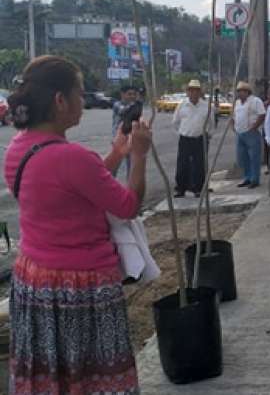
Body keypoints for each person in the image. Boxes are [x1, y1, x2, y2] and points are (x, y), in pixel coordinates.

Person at [5, 55, 152, 394]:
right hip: (81, 287)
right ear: (60, 101)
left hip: (34, 280)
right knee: (93, 377)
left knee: (53, 375)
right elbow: (128, 205)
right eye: (80, 92)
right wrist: (138, 156)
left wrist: (115, 154)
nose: (83, 101)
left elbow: (74, 185)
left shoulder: (18, 148)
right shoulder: (72, 158)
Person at [173, 79, 211, 198]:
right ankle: (181, 188)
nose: (194, 93)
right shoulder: (182, 105)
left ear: (200, 92)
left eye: (196, 90)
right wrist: (181, 132)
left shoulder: (206, 106)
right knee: (182, 164)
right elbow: (175, 122)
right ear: (188, 92)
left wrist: (208, 134)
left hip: (200, 139)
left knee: (199, 164)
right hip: (185, 138)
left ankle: (198, 188)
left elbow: (211, 122)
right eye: (191, 90)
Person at [233, 81, 266, 189]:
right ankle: (247, 178)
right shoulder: (237, 103)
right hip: (239, 133)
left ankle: (255, 179)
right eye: (238, 91)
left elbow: (262, 114)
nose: (240, 93)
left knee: (254, 157)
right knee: (242, 157)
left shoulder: (255, 101)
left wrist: (254, 127)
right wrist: (233, 127)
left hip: (252, 132)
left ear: (247, 92)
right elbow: (232, 116)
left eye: (242, 91)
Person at [111, 85, 139, 178]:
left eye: (134, 94)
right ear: (122, 95)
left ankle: (129, 188)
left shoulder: (135, 106)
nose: (132, 96)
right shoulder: (117, 105)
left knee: (131, 166)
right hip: (119, 139)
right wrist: (135, 105)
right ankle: (109, 184)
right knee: (114, 165)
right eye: (129, 94)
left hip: (131, 138)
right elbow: (123, 111)